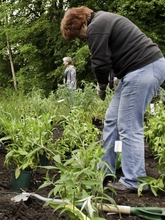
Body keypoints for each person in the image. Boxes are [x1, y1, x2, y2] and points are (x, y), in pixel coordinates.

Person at [61, 6, 165, 193]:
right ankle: (105, 171)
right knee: (111, 120)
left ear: (82, 23)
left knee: (129, 125)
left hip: (144, 68)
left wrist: (102, 86)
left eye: (79, 35)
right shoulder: (102, 21)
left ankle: (133, 180)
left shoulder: (96, 26)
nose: (82, 38)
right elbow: (113, 57)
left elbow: (100, 62)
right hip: (133, 73)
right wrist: (114, 78)